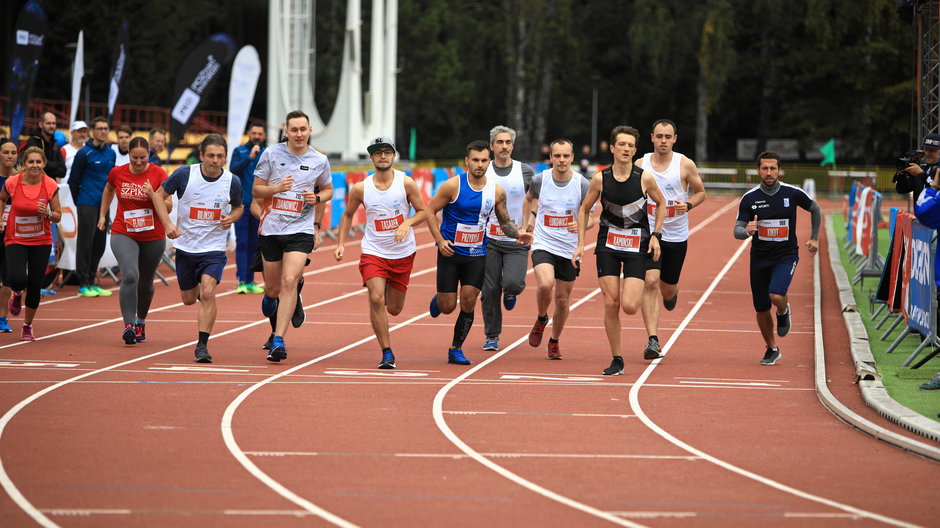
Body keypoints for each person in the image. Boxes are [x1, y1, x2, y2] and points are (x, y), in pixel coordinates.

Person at [425, 140, 533, 366]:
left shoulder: (496, 191)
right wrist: (440, 240)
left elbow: (504, 222)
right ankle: (439, 300)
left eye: (484, 160)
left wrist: (518, 235)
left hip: (476, 253)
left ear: (488, 162)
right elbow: (429, 210)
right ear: (467, 161)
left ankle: (456, 349)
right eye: (475, 160)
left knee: (468, 301)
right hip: (450, 253)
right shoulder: (452, 186)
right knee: (448, 307)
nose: (480, 164)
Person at [573, 126, 666, 376]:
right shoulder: (600, 179)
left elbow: (662, 203)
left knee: (629, 306)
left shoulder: (644, 178)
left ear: (635, 151)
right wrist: (581, 244)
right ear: (613, 148)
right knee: (611, 302)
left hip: (638, 245)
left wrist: (656, 235)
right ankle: (617, 358)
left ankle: (647, 336)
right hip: (608, 246)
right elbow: (584, 209)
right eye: (621, 145)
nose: (626, 149)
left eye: (630, 146)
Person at [334, 137, 427, 369]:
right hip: (373, 251)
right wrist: (341, 244)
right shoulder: (360, 188)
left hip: (402, 253)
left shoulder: (406, 184)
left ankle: (386, 292)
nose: (382, 156)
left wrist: (407, 224)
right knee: (376, 299)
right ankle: (387, 352)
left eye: (386, 152)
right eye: (377, 153)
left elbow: (423, 212)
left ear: (394, 155)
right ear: (372, 157)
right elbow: (347, 215)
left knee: (394, 309)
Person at [151, 134, 243, 362]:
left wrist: (231, 218)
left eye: (220, 156)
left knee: (209, 293)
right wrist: (168, 224)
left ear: (225, 158)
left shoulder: (232, 181)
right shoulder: (185, 174)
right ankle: (204, 299)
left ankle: (202, 346)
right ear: (201, 155)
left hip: (213, 248)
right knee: (189, 299)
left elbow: (239, 208)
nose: (215, 160)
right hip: (186, 246)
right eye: (210, 155)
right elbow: (158, 196)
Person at [253, 110, 333, 362]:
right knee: (274, 289)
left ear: (310, 131)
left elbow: (328, 189)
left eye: (303, 129)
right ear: (285, 131)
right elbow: (256, 189)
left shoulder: (320, 159)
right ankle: (288, 295)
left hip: (300, 229)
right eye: (294, 130)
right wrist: (276, 188)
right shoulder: (271, 154)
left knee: (289, 279)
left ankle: (278, 339)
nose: (299, 134)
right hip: (272, 229)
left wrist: (317, 198)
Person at [733, 151, 820, 366]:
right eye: (765, 168)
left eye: (773, 168)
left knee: (776, 294)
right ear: (758, 171)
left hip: (786, 255)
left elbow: (815, 209)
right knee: (761, 307)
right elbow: (737, 230)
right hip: (759, 258)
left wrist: (814, 238)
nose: (769, 172)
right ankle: (772, 348)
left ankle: (783, 310)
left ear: (779, 170)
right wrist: (747, 231)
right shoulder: (750, 198)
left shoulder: (792, 193)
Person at [636, 119, 706, 359]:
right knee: (650, 281)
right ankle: (653, 340)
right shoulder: (641, 164)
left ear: (675, 138)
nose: (663, 141)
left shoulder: (684, 164)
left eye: (668, 137)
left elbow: (701, 193)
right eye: (659, 136)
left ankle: (672, 294)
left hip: (676, 236)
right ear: (652, 138)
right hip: (649, 234)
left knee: (666, 289)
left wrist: (687, 206)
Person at [522, 138, 593, 359]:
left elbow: (591, 219)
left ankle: (554, 341)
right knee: (545, 283)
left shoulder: (582, 184)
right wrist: (526, 225)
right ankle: (542, 317)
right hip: (544, 242)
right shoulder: (539, 180)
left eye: (566, 156)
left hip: (569, 249)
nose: (561, 160)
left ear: (572, 157)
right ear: (551, 157)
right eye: (557, 156)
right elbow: (528, 200)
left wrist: (580, 225)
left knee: (562, 299)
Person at [98, 137, 170, 345]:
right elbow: (109, 189)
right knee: (130, 275)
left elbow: (169, 206)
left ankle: (141, 322)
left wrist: (154, 195)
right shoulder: (118, 172)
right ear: (128, 154)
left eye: (143, 158)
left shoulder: (158, 174)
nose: (138, 162)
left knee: (146, 282)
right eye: (134, 157)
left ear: (149, 154)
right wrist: (103, 215)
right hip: (124, 231)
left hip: (153, 235)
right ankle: (128, 325)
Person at [480, 126, 535, 351]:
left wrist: (531, 217)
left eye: (508, 142)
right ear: (492, 146)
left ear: (512, 145)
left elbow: (536, 197)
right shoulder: (483, 171)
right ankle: (492, 335)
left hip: (517, 239)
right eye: (499, 142)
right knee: (489, 290)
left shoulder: (525, 171)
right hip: (488, 238)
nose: (504, 146)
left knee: (513, 282)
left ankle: (511, 291)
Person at [0, 147, 62, 340]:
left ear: (43, 164)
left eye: (38, 162)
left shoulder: (50, 185)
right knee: (17, 278)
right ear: (24, 164)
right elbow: (1, 199)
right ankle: (17, 293)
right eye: (31, 162)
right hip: (15, 237)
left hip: (41, 240)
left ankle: (27, 326)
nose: (34, 165)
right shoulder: (12, 183)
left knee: (35, 285)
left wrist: (48, 214)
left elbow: (58, 216)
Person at [69, 116, 117, 298]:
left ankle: (92, 280)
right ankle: (83, 283)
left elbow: (111, 181)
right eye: (100, 128)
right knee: (85, 242)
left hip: (104, 204)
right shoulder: (84, 153)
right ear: (93, 132)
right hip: (87, 202)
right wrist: (79, 200)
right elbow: (74, 180)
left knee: (99, 243)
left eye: (106, 128)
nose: (103, 131)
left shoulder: (111, 153)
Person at [230, 122, 266, 294]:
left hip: (260, 205)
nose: (257, 136)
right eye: (254, 133)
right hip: (242, 204)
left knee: (255, 243)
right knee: (242, 242)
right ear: (249, 134)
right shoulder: (240, 151)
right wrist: (249, 157)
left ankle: (251, 280)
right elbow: (233, 169)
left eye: (260, 133)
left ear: (264, 136)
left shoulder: (267, 153)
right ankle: (241, 280)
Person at [0, 139, 18, 332]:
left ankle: (1, 317)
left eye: (13, 152)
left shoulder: (20, 179)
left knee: (8, 278)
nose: (10, 156)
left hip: (13, 234)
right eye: (6, 152)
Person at [18, 112, 66, 181]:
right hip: (33, 183)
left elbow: (63, 172)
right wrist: (55, 165)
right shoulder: (33, 141)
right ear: (41, 124)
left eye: (54, 123)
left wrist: (47, 164)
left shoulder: (55, 144)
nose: (52, 126)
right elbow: (35, 166)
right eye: (48, 123)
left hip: (50, 186)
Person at [894, 134, 940, 198]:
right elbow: (901, 190)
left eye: (932, 150)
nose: (927, 153)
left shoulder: (920, 171)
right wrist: (901, 175)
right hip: (919, 208)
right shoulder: (920, 168)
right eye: (926, 150)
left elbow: (938, 191)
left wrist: (922, 175)